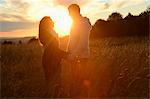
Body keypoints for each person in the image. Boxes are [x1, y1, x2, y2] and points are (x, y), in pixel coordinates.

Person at [67, 4, 92, 97]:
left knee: (81, 82)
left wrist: (72, 55)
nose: (69, 15)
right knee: (76, 81)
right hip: (74, 57)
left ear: (75, 12)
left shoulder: (83, 23)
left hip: (81, 57)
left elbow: (83, 43)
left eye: (70, 12)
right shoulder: (75, 22)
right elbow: (73, 40)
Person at [39, 16, 67, 97]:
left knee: (55, 83)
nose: (53, 21)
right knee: (52, 83)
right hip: (50, 60)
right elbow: (54, 49)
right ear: (46, 24)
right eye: (50, 20)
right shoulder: (45, 34)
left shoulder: (51, 32)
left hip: (54, 59)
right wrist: (66, 54)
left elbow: (55, 49)